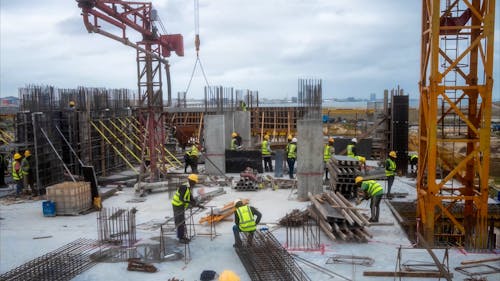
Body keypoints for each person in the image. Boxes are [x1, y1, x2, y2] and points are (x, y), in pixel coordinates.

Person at [171, 174, 202, 243]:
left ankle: (182, 236)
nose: (195, 184)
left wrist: (197, 204)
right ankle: (180, 238)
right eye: (194, 182)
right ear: (190, 181)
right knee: (180, 221)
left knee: (182, 221)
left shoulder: (188, 186)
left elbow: (190, 197)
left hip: (180, 205)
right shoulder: (184, 187)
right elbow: (181, 199)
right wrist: (190, 203)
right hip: (177, 205)